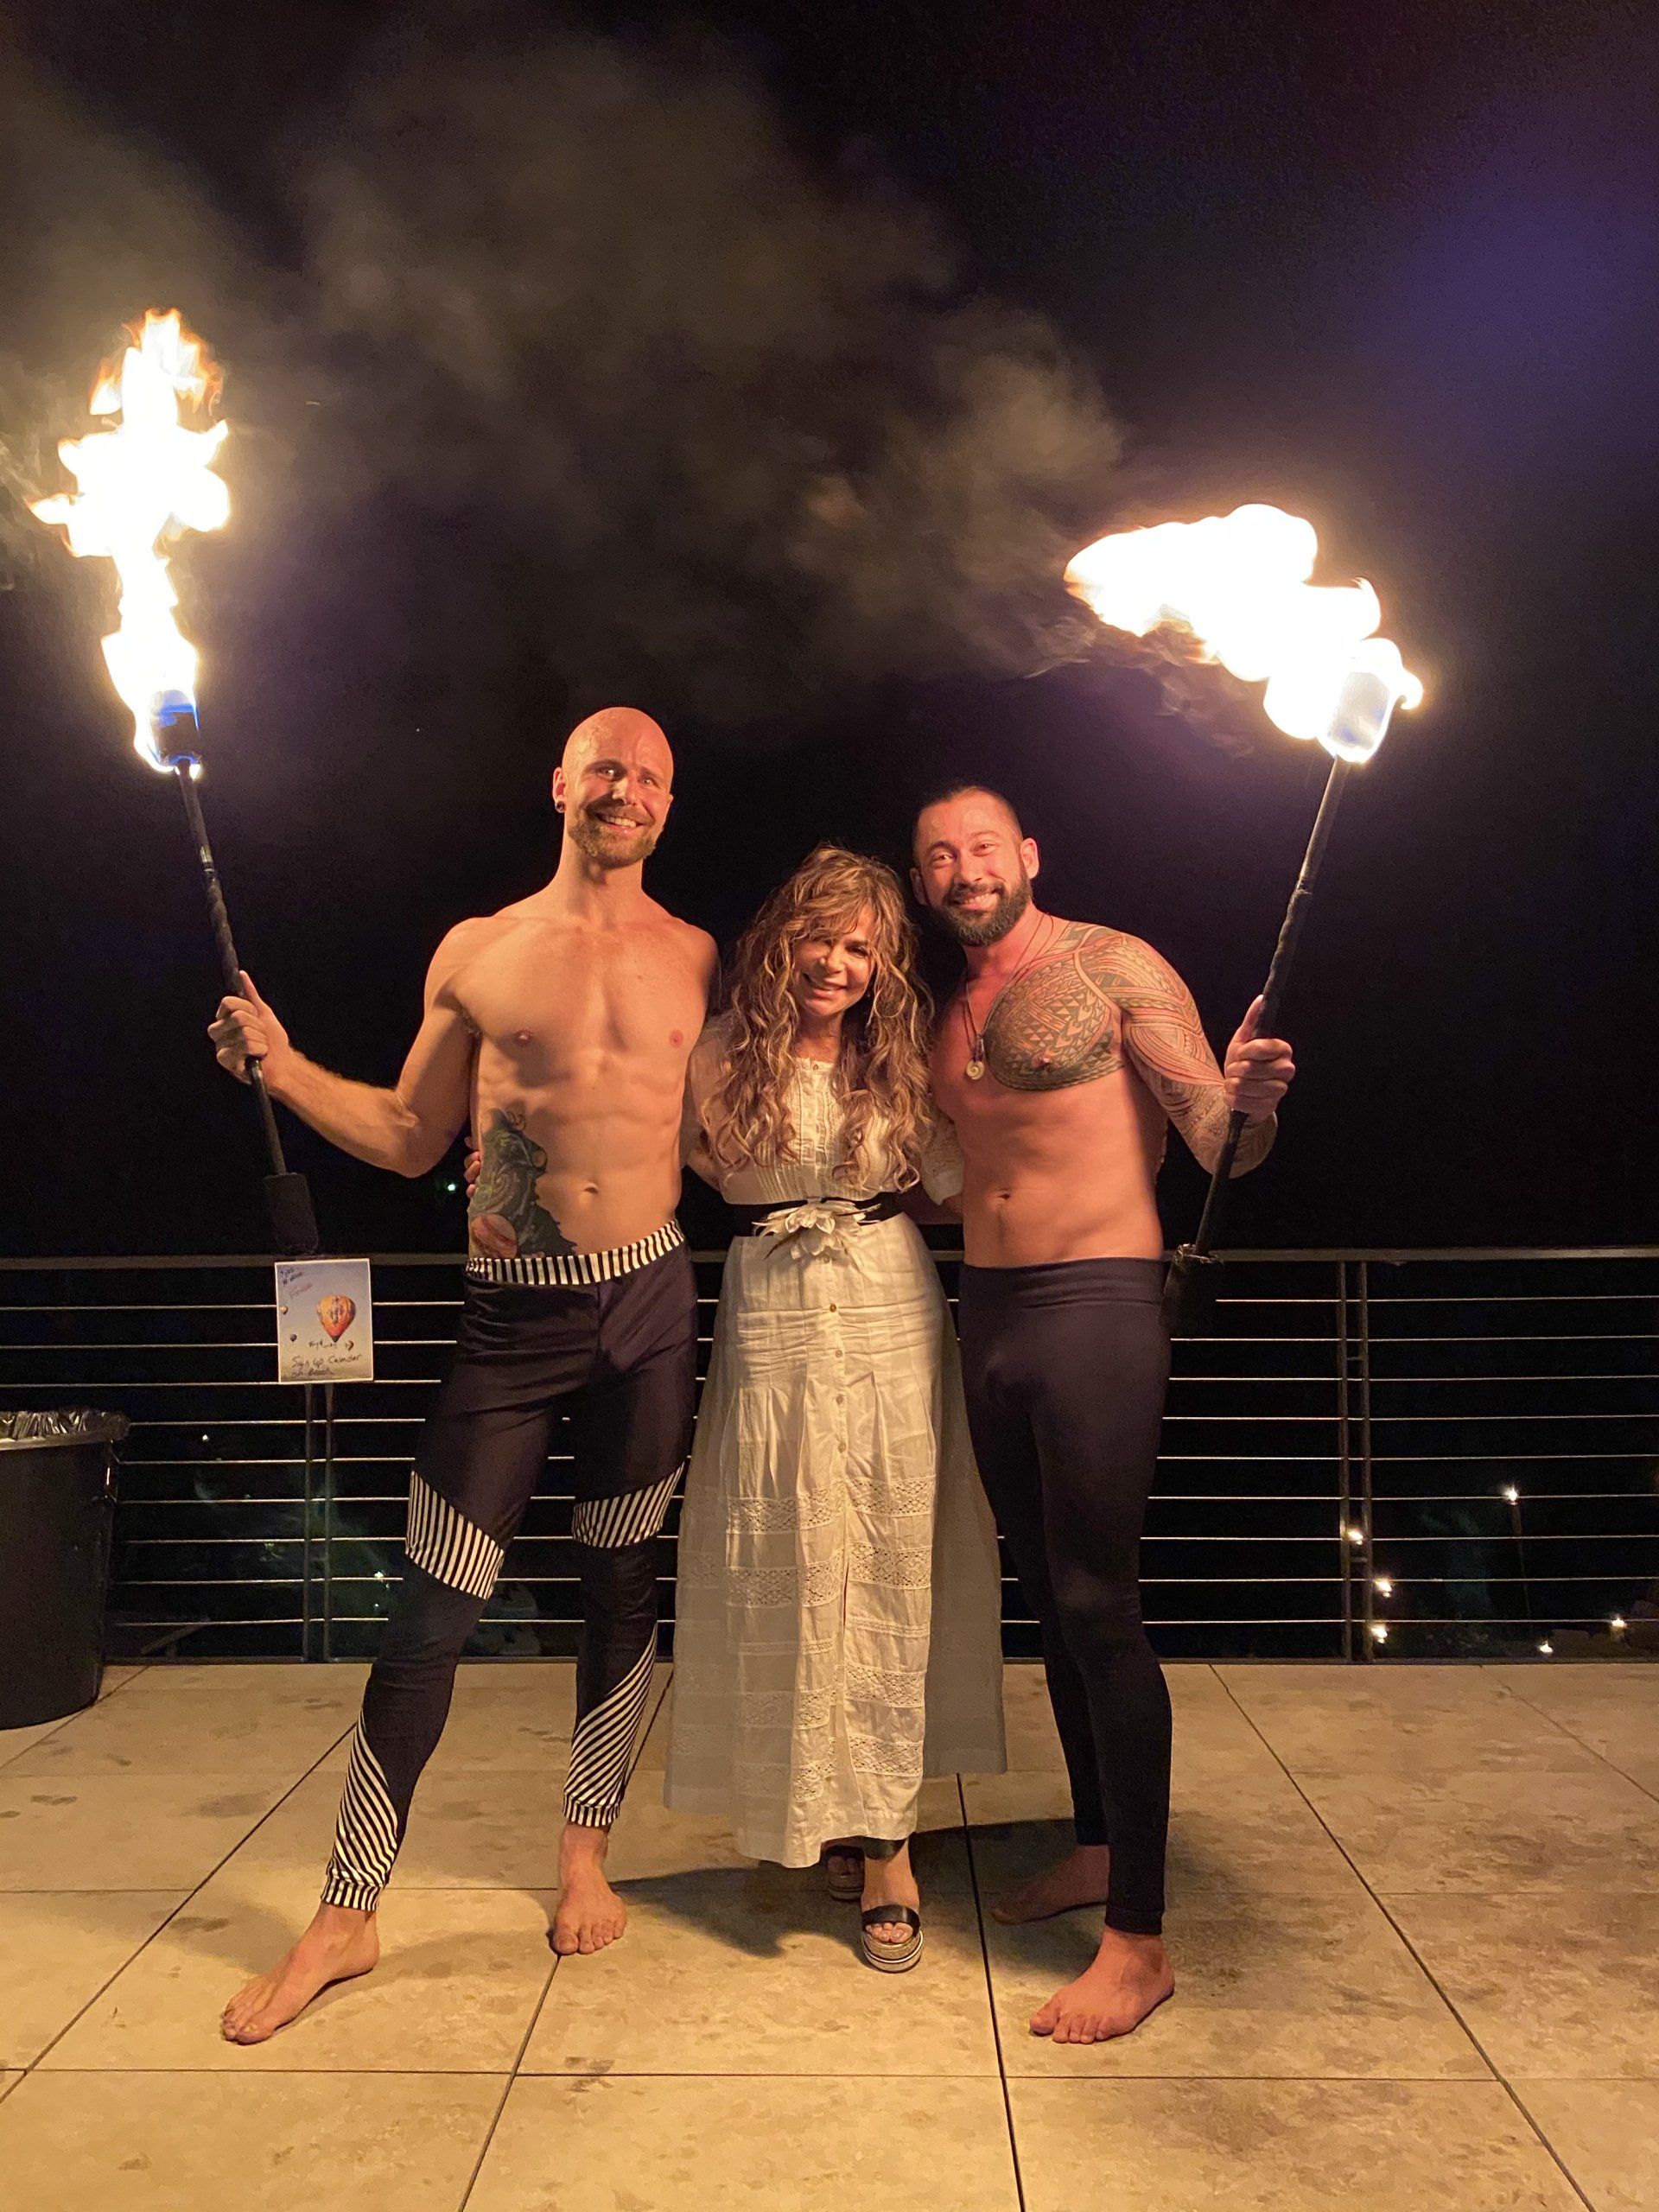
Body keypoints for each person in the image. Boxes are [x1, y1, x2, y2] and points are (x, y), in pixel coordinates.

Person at [208, 706, 717, 2043]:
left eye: (650, 776)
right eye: (604, 765)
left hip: (654, 1308)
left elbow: (733, 1132)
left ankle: (584, 1848)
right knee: (430, 1612)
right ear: (558, 781)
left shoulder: (696, 956)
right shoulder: (483, 951)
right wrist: (282, 1064)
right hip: (511, 1321)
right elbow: (410, 1133)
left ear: (671, 804)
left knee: (622, 1585)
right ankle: (348, 1909)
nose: (625, 789)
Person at [912, 783, 1295, 2044]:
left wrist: (1250, 1099)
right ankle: (1093, 1841)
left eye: (982, 847)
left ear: (1029, 853)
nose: (964, 870)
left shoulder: (1115, 964)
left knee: (1098, 1603)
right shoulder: (939, 1010)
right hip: (989, 1308)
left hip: (1098, 1301)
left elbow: (1214, 1143)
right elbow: (945, 1171)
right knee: (1046, 1597)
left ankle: (1139, 1939)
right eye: (938, 858)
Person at [664, 845, 1005, 1971]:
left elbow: (964, 1184)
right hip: (768, 1303)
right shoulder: (720, 1051)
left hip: (884, 1303)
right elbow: (677, 1166)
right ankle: (817, 1804)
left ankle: (892, 1841)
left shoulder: (900, 1054)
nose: (840, 964)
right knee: (791, 1555)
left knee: (886, 1557)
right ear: (782, 940)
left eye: (863, 947)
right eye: (822, 938)